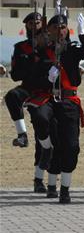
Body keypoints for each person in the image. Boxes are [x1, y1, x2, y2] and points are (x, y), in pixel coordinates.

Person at [24, 12, 84, 203]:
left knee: (70, 147)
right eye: (56, 28)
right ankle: (49, 168)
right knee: (44, 124)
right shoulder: (41, 52)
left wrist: (83, 32)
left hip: (69, 102)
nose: (60, 31)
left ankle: (64, 188)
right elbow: (31, 79)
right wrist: (48, 79)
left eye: (63, 27)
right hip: (49, 100)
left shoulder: (72, 49)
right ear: (49, 31)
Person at [6, 11, 48, 193]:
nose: (34, 26)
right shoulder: (21, 48)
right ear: (26, 26)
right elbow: (15, 75)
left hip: (46, 92)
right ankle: (22, 134)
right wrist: (30, 59)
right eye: (31, 23)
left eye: (37, 23)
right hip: (28, 87)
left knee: (42, 134)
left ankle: (39, 179)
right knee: (12, 96)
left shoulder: (51, 46)